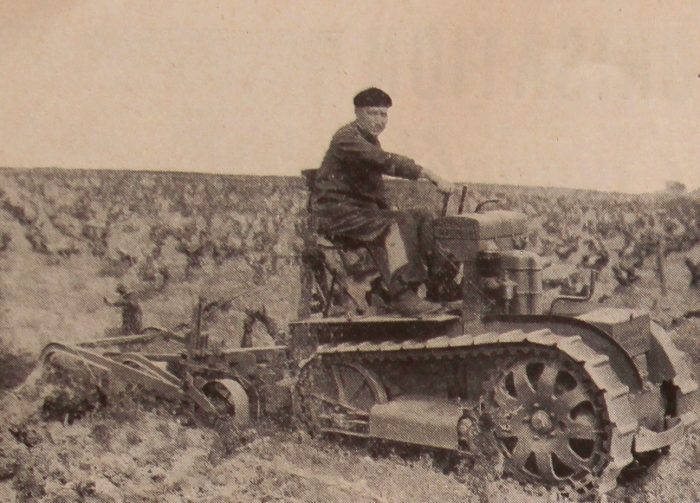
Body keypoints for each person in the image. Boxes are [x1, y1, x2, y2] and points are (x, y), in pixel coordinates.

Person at [310, 87, 456, 316]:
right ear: (357, 113)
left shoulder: (368, 139)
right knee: (397, 223)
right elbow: (383, 161)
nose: (379, 120)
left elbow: (373, 188)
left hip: (360, 211)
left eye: (383, 114)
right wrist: (429, 174)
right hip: (338, 214)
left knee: (424, 216)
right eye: (373, 113)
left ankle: (440, 285)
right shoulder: (346, 139)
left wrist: (389, 208)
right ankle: (401, 294)